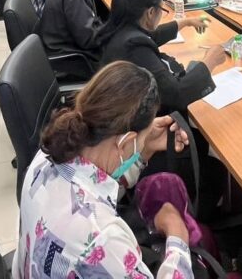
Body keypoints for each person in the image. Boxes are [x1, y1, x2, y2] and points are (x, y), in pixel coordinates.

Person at [14, 61, 194, 279]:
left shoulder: (49, 151)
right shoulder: (102, 240)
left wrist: (143, 148)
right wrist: (177, 234)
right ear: (125, 141)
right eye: (140, 140)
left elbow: (96, 189)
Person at [100, 0, 225, 113]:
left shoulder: (121, 28)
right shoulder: (136, 48)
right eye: (161, 9)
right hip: (141, 116)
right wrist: (210, 61)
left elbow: (150, 36)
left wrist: (185, 22)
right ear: (151, 12)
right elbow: (176, 95)